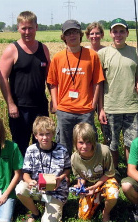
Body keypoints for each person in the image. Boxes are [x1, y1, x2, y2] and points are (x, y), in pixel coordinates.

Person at [47, 19, 105, 153]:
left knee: (87, 145)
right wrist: (56, 104)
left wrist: (93, 104)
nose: (72, 36)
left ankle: (87, 172)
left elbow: (98, 82)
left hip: (85, 110)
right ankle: (66, 172)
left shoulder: (92, 56)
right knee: (63, 145)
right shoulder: (57, 58)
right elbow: (53, 84)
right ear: (64, 37)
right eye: (68, 33)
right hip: (64, 110)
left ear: (80, 35)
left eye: (75, 32)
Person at [0, 11, 50, 156]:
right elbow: (2, 77)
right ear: (18, 28)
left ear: (36, 27)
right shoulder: (12, 50)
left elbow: (50, 78)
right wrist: (10, 104)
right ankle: (20, 176)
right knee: (20, 144)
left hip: (40, 106)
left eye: (30, 28)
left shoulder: (43, 49)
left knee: (42, 143)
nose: (27, 32)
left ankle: (38, 176)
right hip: (20, 108)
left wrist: (54, 100)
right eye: (24, 28)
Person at [98, 18, 138, 171]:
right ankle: (113, 174)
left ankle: (131, 173)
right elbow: (99, 83)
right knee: (111, 144)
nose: (118, 34)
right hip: (111, 107)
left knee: (131, 144)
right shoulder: (103, 54)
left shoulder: (136, 52)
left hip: (132, 106)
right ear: (110, 34)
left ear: (127, 33)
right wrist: (101, 108)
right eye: (115, 31)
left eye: (122, 31)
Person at [15, 116, 70, 222]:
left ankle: (55, 208)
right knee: (20, 189)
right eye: (41, 134)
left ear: (53, 134)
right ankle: (35, 212)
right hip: (38, 189)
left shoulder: (62, 150)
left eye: (48, 134)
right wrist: (30, 181)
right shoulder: (31, 150)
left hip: (56, 191)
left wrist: (61, 177)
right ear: (35, 136)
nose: (45, 137)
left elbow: (67, 169)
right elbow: (25, 173)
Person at [71, 122, 119, 222]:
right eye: (81, 142)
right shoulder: (74, 158)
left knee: (113, 193)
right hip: (89, 185)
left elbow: (109, 173)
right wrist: (80, 185)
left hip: (105, 180)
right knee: (84, 217)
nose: (84, 146)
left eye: (88, 143)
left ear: (93, 141)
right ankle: (99, 199)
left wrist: (96, 186)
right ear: (75, 142)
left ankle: (106, 213)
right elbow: (80, 176)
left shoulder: (104, 151)